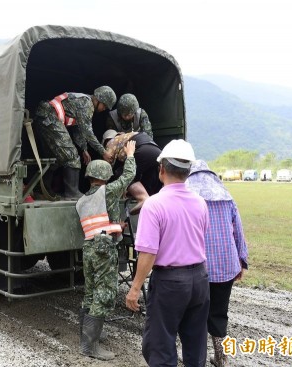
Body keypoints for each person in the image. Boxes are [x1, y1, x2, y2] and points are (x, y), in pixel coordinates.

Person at [125, 139, 210, 367]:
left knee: (160, 346)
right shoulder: (201, 203)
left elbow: (148, 253)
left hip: (170, 283)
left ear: (161, 169)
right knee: (196, 345)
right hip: (200, 280)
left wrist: (134, 289)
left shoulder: (154, 204)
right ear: (188, 171)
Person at [76, 140, 136, 361]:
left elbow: (94, 225)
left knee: (90, 292)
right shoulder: (107, 192)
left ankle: (86, 337)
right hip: (103, 249)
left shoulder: (81, 201)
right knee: (105, 294)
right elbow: (128, 177)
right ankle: (90, 347)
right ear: (106, 176)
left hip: (89, 248)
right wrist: (130, 155)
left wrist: (114, 227)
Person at [186, 160, 249, 367]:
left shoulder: (187, 197)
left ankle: (196, 359)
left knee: (195, 314)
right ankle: (221, 358)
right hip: (226, 265)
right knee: (219, 312)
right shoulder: (226, 196)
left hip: (196, 267)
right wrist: (242, 261)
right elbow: (238, 231)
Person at [34, 86, 116, 200]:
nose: (104, 109)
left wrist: (84, 149)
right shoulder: (87, 104)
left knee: (55, 158)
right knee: (72, 156)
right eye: (105, 106)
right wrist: (103, 152)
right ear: (98, 99)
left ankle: (41, 190)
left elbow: (78, 129)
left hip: (44, 117)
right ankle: (72, 193)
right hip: (50, 118)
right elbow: (88, 133)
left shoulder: (84, 102)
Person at [102, 129, 162, 214]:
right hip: (157, 152)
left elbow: (107, 169)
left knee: (121, 173)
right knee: (146, 175)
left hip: (143, 151)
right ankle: (150, 200)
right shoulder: (127, 136)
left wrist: (103, 188)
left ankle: (143, 198)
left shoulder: (110, 142)